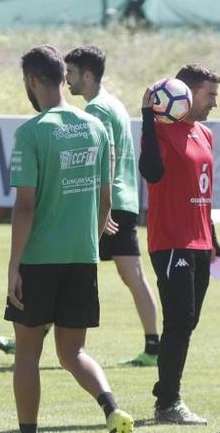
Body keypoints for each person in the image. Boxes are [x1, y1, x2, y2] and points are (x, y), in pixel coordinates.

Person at [5, 44, 133, 433]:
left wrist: (14, 266)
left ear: (31, 81)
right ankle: (111, 408)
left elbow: (24, 207)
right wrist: (89, 243)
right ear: (64, 77)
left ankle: (29, 429)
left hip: (40, 259)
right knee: (73, 351)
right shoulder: (95, 127)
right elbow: (106, 198)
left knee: (27, 352)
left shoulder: (31, 132)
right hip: (82, 258)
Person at [64, 45, 160, 366]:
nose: (66, 79)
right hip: (124, 200)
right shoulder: (112, 103)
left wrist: (101, 209)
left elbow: (107, 156)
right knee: (132, 275)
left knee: (69, 267)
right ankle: (153, 344)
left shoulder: (97, 111)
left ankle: (33, 331)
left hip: (108, 204)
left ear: (87, 75)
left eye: (72, 73)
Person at [139, 63, 220, 425]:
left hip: (200, 243)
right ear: (184, 94)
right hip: (171, 240)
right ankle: (168, 403)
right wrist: (146, 116)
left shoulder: (204, 134)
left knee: (187, 322)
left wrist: (214, 240)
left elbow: (202, 192)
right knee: (180, 320)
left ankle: (165, 396)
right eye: (210, 95)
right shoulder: (158, 131)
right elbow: (152, 173)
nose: (215, 103)